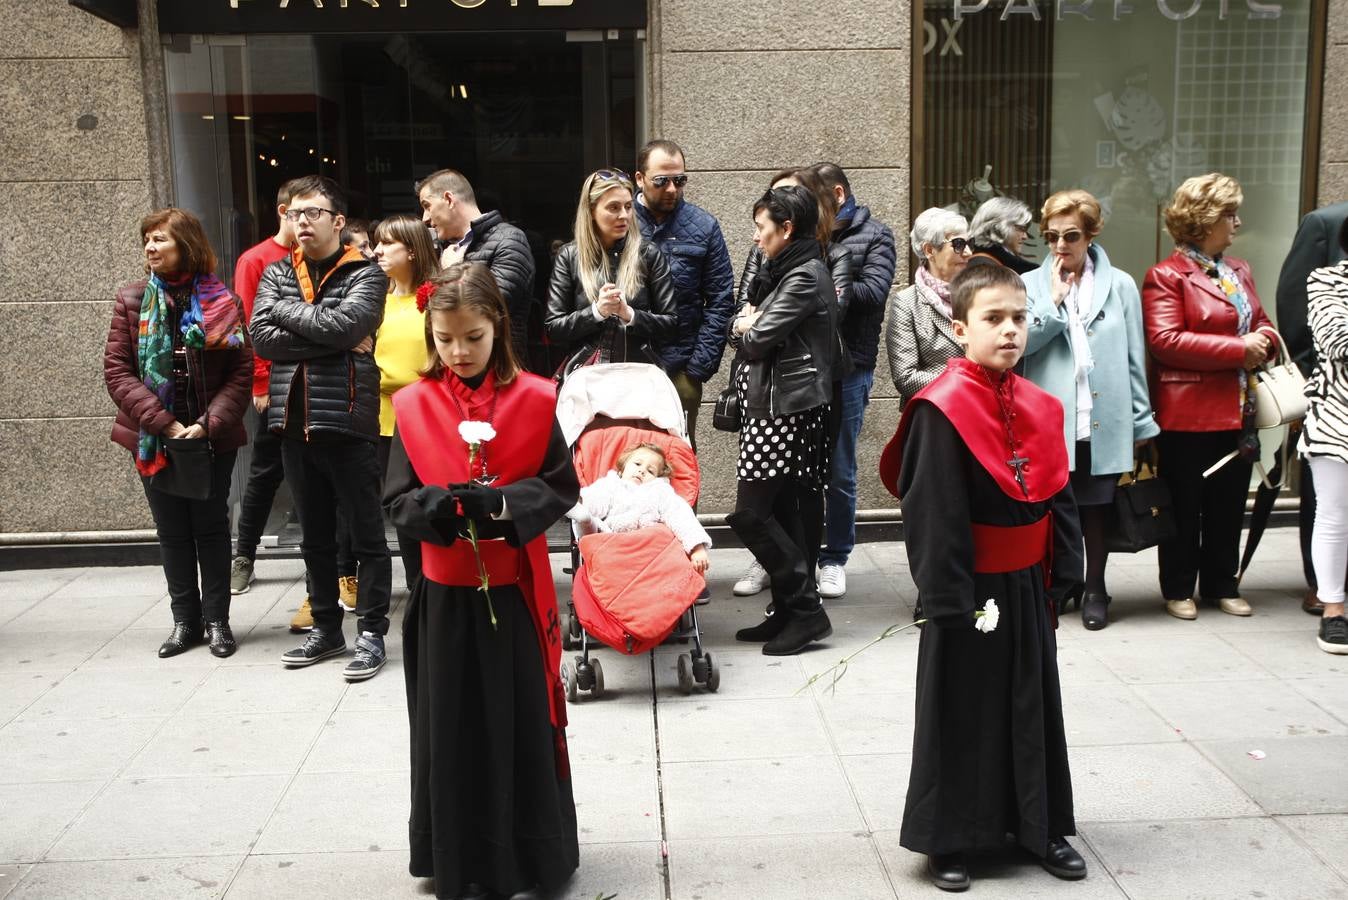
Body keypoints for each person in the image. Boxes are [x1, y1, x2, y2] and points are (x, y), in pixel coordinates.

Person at [879, 263, 1085, 891]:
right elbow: (932, 510)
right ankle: (950, 836)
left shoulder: (1040, 405)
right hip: (967, 587)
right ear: (960, 327)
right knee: (962, 709)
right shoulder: (941, 409)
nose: (1010, 330)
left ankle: (1039, 825)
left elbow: (1057, 491)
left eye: (1019, 317)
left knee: (1030, 701)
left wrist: (1066, 567)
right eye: (993, 318)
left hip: (1026, 583)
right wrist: (946, 596)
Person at [382, 262, 580, 899]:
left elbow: (561, 486)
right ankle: (455, 854)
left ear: (498, 327)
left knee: (516, 722)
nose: (459, 352)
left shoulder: (537, 398)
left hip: (514, 594)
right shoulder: (413, 404)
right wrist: (434, 508)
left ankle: (525, 856)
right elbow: (395, 499)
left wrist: (503, 505)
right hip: (443, 599)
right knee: (450, 728)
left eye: (473, 337)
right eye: (445, 340)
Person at [250, 174, 393, 681]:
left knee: (366, 536)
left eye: (313, 212)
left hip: (348, 422)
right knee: (314, 538)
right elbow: (261, 338)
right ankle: (327, 630)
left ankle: (372, 633)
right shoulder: (276, 271)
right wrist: (326, 332)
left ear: (337, 220)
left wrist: (288, 313)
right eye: (294, 214)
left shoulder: (366, 274)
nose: (301, 221)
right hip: (292, 424)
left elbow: (350, 327)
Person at [104, 208, 252, 659]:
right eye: (147, 239)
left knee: (210, 528)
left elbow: (240, 372)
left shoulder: (224, 302)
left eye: (160, 239)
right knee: (171, 530)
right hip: (154, 436)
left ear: (186, 244)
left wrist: (208, 424)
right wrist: (162, 421)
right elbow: (118, 372)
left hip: (210, 435)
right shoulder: (131, 300)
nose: (150, 247)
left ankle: (217, 621)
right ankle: (185, 622)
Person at [1142, 173, 1277, 621]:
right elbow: (1165, 341)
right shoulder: (1166, 275)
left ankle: (1223, 584)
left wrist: (1265, 340)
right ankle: (1179, 587)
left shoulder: (1239, 270)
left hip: (1240, 409)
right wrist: (1239, 349)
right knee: (1184, 505)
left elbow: (1262, 322)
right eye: (1229, 214)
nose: (1237, 223)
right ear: (1203, 220)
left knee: (1229, 503)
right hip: (1188, 414)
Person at [1022, 189, 1158, 630]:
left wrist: (1142, 422)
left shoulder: (1120, 284)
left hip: (1105, 416)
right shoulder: (1029, 285)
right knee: (1055, 509)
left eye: (1071, 236)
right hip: (1051, 419)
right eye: (1051, 237)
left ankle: (1096, 588)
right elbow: (1022, 347)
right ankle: (1064, 584)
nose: (1060, 245)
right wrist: (1054, 301)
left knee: (1097, 508)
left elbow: (1135, 357)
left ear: (1092, 234)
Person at [731, 166, 854, 598]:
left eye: (760, 227)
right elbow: (740, 322)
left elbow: (755, 340)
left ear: (786, 228)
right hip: (768, 406)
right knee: (780, 508)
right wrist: (745, 323)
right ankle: (795, 607)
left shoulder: (803, 275)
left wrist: (748, 323)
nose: (754, 237)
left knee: (753, 512)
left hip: (783, 410)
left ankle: (800, 600)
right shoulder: (781, 269)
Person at [811, 162, 898, 600]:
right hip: (804, 364)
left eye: (815, 200)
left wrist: (822, 285)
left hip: (850, 366)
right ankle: (789, 554)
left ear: (838, 195)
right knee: (795, 467)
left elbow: (874, 291)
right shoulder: (809, 232)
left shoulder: (876, 235)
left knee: (839, 468)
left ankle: (834, 558)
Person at [633, 139, 735, 449]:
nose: (672, 189)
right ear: (639, 179)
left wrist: (698, 369)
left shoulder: (703, 226)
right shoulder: (622, 222)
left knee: (678, 458)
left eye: (679, 180)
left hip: (681, 366)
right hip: (627, 365)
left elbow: (720, 300)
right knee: (628, 457)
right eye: (661, 181)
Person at [1277, 200, 1348, 615]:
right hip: (1333, 395)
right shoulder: (1325, 223)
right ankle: (1321, 585)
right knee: (1328, 504)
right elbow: (1294, 311)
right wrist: (1311, 381)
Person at [231, 178, 300, 600]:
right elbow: (248, 327)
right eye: (299, 213)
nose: (307, 222)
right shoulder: (256, 260)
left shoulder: (316, 256)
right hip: (274, 382)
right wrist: (260, 382)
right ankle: (244, 556)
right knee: (264, 472)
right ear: (283, 212)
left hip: (315, 381)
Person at [544, 168, 678, 378]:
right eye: (613, 207)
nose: (623, 215)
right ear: (591, 210)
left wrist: (630, 315)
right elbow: (554, 328)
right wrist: (597, 312)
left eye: (628, 206)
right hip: (586, 375)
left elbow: (671, 324)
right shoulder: (569, 256)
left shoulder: (648, 254)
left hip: (638, 374)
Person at [372, 213, 441, 590]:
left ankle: (440, 580)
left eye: (387, 243)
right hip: (384, 420)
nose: (377, 251)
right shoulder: (374, 300)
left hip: (430, 417)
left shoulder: (434, 298)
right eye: (377, 243)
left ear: (412, 250)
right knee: (401, 505)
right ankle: (417, 586)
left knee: (434, 500)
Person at [417, 168, 535, 364]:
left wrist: (453, 271)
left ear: (448, 199)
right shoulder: (445, 248)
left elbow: (492, 308)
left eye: (427, 206)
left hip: (499, 368)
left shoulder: (509, 240)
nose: (425, 218)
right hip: (452, 367)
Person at [1300, 219, 1348, 654]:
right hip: (1338, 418)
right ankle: (1333, 609)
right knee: (1333, 514)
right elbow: (1337, 341)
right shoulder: (1326, 280)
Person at [567, 442, 712, 572]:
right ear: (623, 467)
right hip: (612, 540)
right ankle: (583, 514)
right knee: (593, 521)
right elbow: (598, 499)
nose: (642, 471)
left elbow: (680, 515)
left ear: (657, 477)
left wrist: (697, 547)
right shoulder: (611, 484)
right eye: (637, 464)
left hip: (647, 544)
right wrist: (585, 500)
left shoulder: (660, 491)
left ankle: (584, 516)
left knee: (666, 531)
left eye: (651, 471)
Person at [885, 207, 972, 407]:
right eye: (958, 244)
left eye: (970, 243)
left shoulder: (979, 294)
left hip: (981, 410)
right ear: (929, 250)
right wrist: (966, 385)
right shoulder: (907, 303)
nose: (968, 252)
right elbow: (905, 377)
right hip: (935, 411)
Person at [967, 196, 1038, 274]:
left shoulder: (977, 262)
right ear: (998, 227)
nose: (1025, 237)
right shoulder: (983, 267)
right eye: (1021, 228)